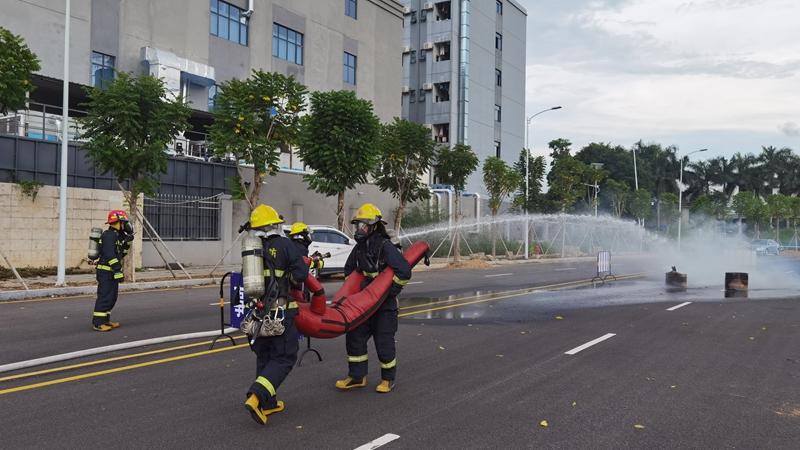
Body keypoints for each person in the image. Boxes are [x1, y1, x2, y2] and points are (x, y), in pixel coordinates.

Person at [244, 205, 309, 425]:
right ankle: (256, 396)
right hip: (280, 310)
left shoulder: (251, 249)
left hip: (256, 311)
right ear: (273, 225)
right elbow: (301, 274)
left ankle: (268, 403)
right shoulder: (285, 244)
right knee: (284, 357)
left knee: (264, 356)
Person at [335, 203, 411, 393]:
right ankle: (357, 377)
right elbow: (349, 269)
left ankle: (388, 379)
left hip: (384, 306)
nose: (359, 229)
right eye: (358, 225)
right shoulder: (360, 247)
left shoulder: (385, 246)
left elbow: (404, 271)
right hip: (364, 304)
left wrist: (389, 291)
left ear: (374, 226)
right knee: (354, 337)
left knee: (383, 342)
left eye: (363, 225)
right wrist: (354, 290)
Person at [91, 210, 133, 332]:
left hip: (111, 272)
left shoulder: (116, 236)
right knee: (105, 297)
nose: (125, 225)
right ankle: (98, 323)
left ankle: (105, 320)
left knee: (111, 297)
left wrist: (127, 242)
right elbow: (110, 255)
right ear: (118, 222)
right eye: (124, 223)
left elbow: (121, 254)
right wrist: (117, 270)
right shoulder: (109, 236)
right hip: (105, 272)